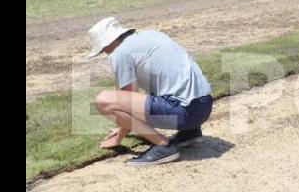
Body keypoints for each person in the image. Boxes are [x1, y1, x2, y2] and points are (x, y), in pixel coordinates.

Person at [86, 17, 214, 166]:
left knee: (104, 100)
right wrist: (123, 124)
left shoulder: (119, 53)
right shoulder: (153, 35)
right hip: (204, 106)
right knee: (160, 90)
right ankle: (190, 133)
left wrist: (119, 135)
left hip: (185, 113)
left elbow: (129, 99)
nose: (105, 53)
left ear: (108, 42)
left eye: (102, 49)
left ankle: (163, 146)